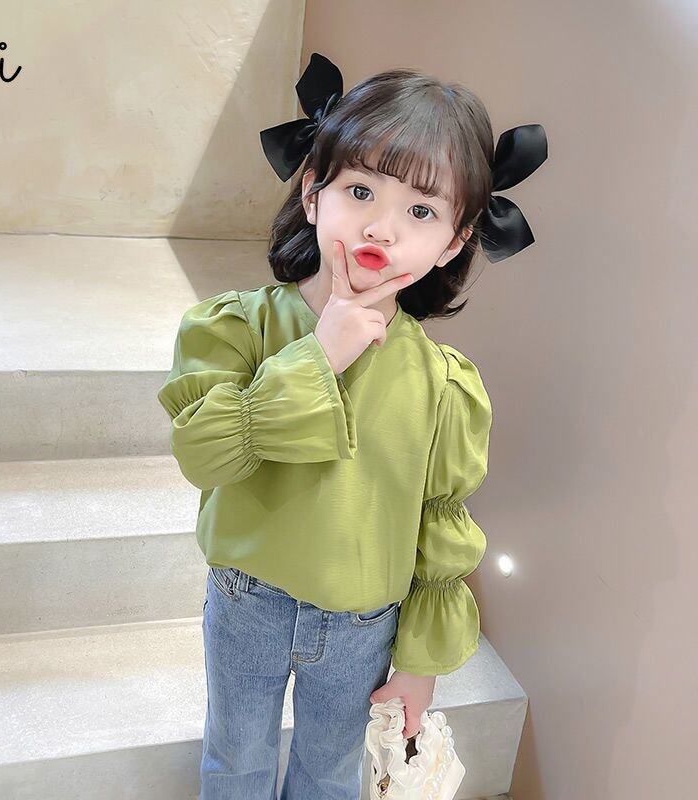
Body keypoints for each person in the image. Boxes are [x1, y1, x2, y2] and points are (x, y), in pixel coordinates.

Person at [157, 52, 547, 800]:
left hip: (363, 624)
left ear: (456, 241)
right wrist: (319, 355)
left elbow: (439, 526)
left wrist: (421, 663)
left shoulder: (444, 386)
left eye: (421, 211)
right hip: (246, 599)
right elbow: (205, 453)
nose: (381, 226)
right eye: (361, 189)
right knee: (234, 759)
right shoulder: (231, 329)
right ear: (313, 192)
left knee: (330, 776)